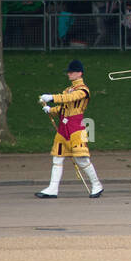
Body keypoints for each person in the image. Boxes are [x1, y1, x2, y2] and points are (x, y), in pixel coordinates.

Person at [36, 59, 103, 199]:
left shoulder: (83, 90)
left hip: (77, 129)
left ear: (79, 73)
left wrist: (52, 97)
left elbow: (70, 98)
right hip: (63, 128)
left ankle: (97, 185)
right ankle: (53, 188)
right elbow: (63, 108)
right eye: (69, 72)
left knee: (82, 160)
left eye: (71, 72)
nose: (69, 74)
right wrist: (50, 110)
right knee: (57, 158)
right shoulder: (68, 89)